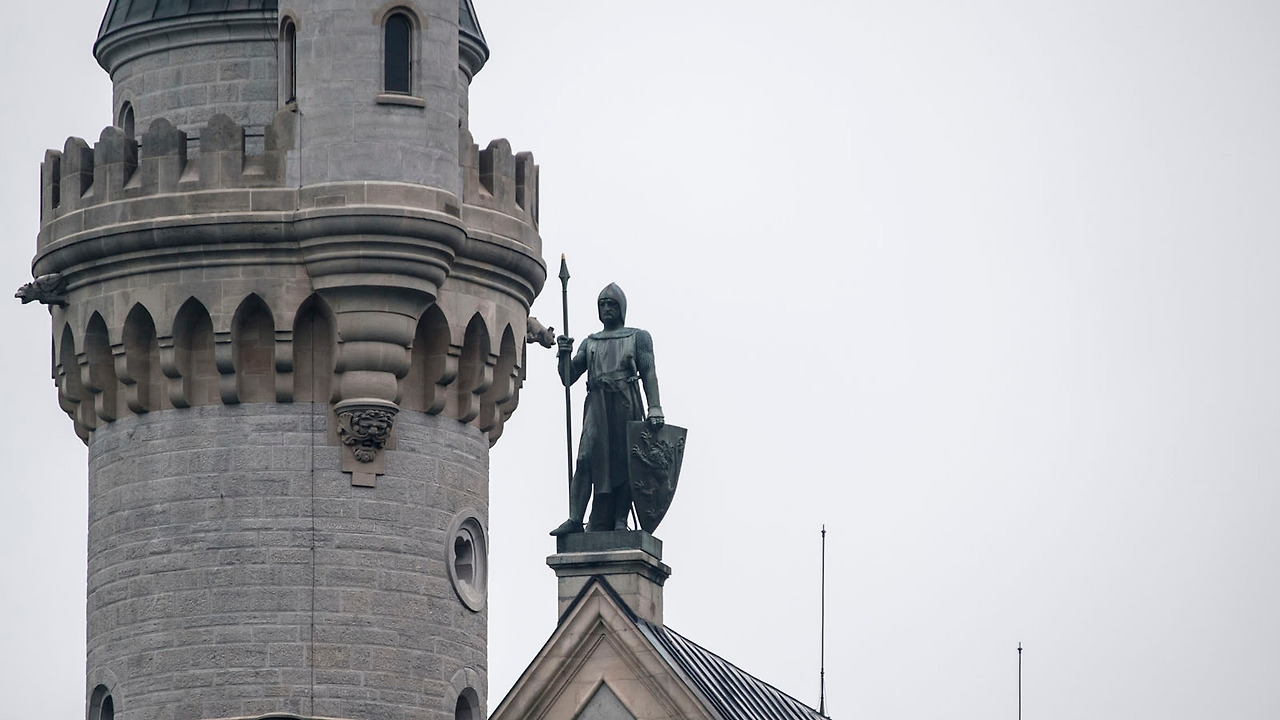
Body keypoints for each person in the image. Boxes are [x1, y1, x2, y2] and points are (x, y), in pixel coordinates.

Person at [550, 283, 663, 535]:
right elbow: (568, 377)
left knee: (625, 461)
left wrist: (654, 407)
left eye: (611, 304)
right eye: (602, 304)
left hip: (625, 402)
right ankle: (575, 518)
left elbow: (649, 373)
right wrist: (563, 354)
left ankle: (620, 520)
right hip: (597, 405)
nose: (607, 308)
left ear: (621, 308)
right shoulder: (590, 342)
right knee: (585, 458)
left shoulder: (637, 337)